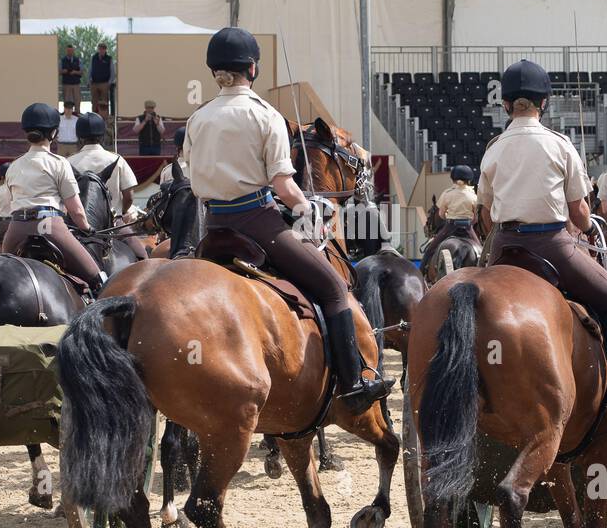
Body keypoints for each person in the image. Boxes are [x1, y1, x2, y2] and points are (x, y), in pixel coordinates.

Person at [182, 26, 392, 413]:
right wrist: (306, 209)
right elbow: (283, 184)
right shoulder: (265, 115)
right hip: (257, 222)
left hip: (213, 227)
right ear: (252, 68)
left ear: (215, 71)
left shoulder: (199, 118)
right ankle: (354, 382)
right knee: (332, 286)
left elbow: (190, 174)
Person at [477, 60, 607, 404]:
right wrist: (591, 227)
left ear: (505, 104)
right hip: (551, 246)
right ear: (543, 103)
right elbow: (578, 212)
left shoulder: (494, 148)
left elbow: (486, 214)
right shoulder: (560, 144)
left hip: (505, 246)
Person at [2, 103, 106, 294]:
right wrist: (87, 229)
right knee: (98, 278)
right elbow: (76, 211)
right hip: (49, 226)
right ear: (54, 133)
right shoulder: (59, 163)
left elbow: (12, 204)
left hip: (16, 229)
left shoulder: (13, 167)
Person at [68, 112, 148, 259]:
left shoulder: (69, 162)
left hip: (78, 225)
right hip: (113, 223)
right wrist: (122, 213)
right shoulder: (116, 159)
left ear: (79, 137)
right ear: (102, 135)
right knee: (143, 257)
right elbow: (129, 196)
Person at [419, 164, 479, 277]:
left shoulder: (447, 193)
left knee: (430, 250)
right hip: (468, 228)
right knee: (481, 250)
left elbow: (441, 215)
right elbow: (476, 217)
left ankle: (421, 274)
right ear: (469, 180)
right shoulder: (474, 196)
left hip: (450, 227)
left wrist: (450, 217)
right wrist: (469, 222)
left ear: (453, 179)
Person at [89, 42, 114, 121]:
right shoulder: (93, 58)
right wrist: (89, 79)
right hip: (94, 83)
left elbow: (112, 72)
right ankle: (93, 118)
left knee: (104, 103)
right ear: (98, 49)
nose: (101, 50)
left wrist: (109, 83)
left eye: (103, 49)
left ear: (105, 50)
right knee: (94, 102)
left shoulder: (109, 58)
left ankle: (105, 119)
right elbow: (90, 69)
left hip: (104, 83)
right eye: (100, 48)